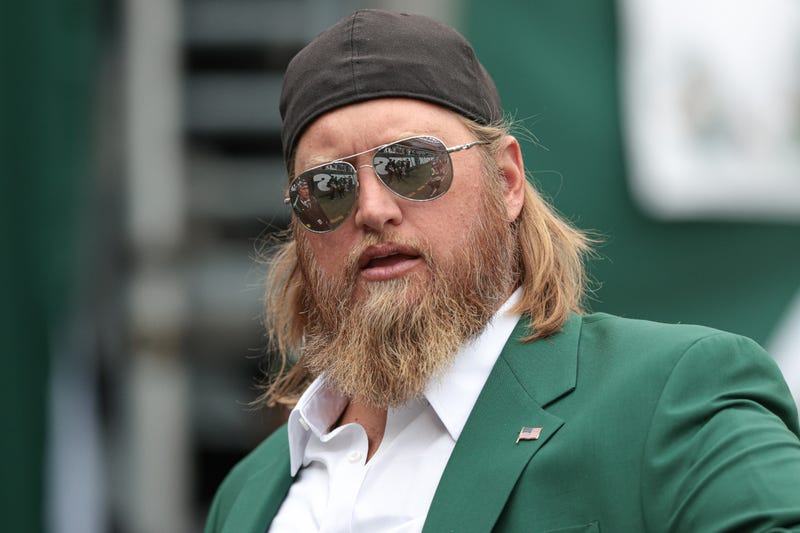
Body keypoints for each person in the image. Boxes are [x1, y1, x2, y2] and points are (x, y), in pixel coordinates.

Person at [205, 9, 800, 533]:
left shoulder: (668, 396)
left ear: (507, 181)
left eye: (411, 165)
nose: (373, 209)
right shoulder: (250, 494)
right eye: (327, 188)